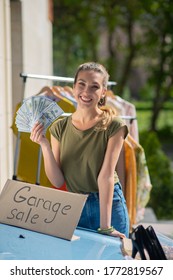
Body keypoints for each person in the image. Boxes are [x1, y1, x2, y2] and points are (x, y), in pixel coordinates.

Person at [30, 62, 129, 238]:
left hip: (108, 206)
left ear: (103, 92)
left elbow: (106, 176)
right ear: (74, 87)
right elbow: (57, 179)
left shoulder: (114, 125)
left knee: (112, 263)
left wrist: (105, 226)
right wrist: (44, 145)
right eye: (81, 84)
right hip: (74, 207)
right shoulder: (58, 127)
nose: (86, 92)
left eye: (94, 87)